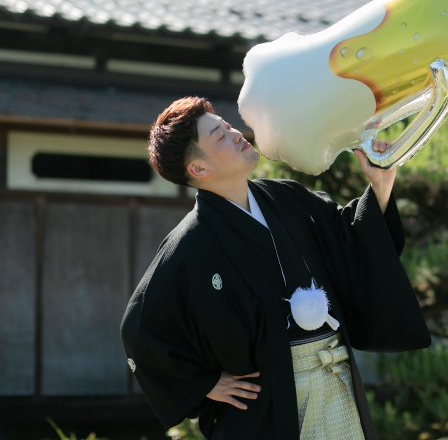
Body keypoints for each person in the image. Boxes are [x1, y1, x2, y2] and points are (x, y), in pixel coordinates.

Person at [121, 97, 430, 439]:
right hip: (265, 405)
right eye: (220, 136)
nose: (236, 133)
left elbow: (349, 241)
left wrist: (380, 185)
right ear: (198, 169)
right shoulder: (188, 244)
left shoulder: (287, 198)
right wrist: (204, 384)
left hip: (334, 378)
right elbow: (140, 327)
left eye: (227, 126)